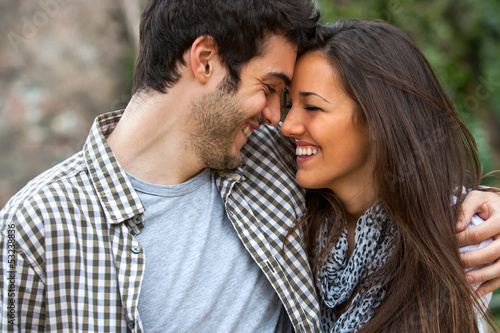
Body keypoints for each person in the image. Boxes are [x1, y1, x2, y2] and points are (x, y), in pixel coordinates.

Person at [0, 1, 499, 331]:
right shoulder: (40, 224)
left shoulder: (268, 160)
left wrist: (486, 213)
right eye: (270, 89)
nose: (276, 118)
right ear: (205, 60)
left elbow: (385, 171)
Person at [280, 19, 500, 332]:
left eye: (312, 107)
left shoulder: (458, 235)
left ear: (378, 119)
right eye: (288, 104)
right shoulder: (290, 213)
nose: (287, 126)